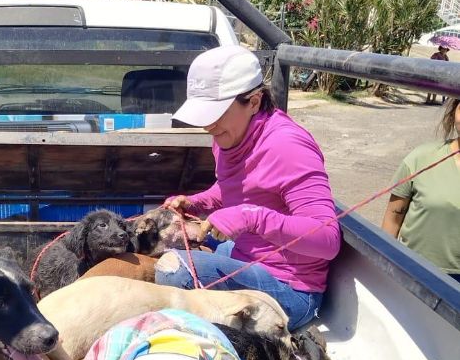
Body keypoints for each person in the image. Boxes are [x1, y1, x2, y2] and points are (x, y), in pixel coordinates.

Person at [157, 45, 341, 331]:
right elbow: (235, 187)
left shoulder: (287, 145)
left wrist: (250, 217)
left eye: (216, 112)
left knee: (175, 270)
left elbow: (328, 240)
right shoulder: (228, 135)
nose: (208, 125)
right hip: (245, 255)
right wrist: (196, 203)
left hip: (290, 287)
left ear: (254, 102)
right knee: (172, 239)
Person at [381, 98, 460, 283]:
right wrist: (383, 266)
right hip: (416, 271)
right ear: (453, 111)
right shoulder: (421, 158)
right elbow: (392, 218)